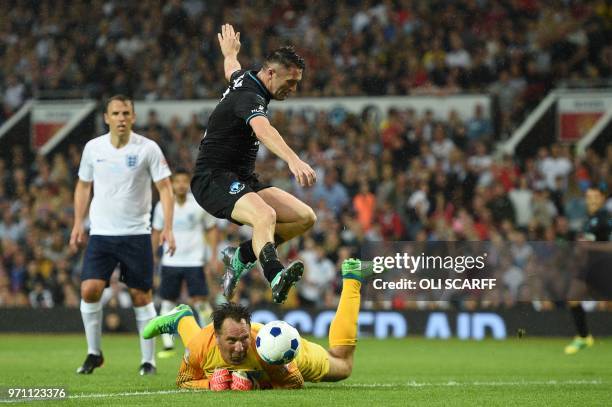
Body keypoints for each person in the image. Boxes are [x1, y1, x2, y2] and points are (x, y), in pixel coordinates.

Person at [190, 24, 317, 304]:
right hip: (213, 179)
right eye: (290, 81)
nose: (293, 89)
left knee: (305, 217)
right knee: (265, 215)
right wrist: (293, 160)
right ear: (271, 73)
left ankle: (242, 256)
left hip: (242, 179)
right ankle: (274, 275)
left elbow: (231, 70)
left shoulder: (246, 79)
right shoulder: (250, 96)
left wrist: (229, 53)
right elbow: (263, 130)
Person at [70, 95, 176, 375]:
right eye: (115, 113)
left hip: (136, 234)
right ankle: (94, 353)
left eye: (126, 113)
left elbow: (165, 188)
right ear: (106, 117)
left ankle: (148, 361)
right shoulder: (93, 148)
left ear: (134, 117)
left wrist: (167, 227)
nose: (121, 118)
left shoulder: (148, 149)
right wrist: (78, 223)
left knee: (141, 295)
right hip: (101, 233)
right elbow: (83, 186)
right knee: (89, 290)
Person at [142, 258, 368, 389]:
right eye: (231, 340)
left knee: (343, 365)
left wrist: (254, 381)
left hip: (297, 357)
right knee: (201, 347)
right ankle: (182, 318)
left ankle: (352, 278)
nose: (240, 347)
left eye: (243, 338)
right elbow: (183, 381)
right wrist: (209, 385)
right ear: (217, 337)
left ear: (250, 333)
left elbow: (294, 383)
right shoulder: (200, 345)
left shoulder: (269, 350)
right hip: (207, 344)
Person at [152, 168, 219, 358]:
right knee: (167, 301)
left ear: (188, 183)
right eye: (177, 181)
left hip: (194, 260)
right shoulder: (162, 205)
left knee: (200, 301)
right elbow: (156, 232)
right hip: (170, 260)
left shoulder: (198, 205)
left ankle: (209, 339)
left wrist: (213, 256)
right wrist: (153, 255)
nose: (180, 185)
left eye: (184, 181)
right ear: (172, 184)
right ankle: (167, 344)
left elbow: (212, 229)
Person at [564, 186, 612, 354]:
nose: (591, 200)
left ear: (602, 199)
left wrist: (590, 246)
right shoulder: (588, 220)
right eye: (588, 196)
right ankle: (584, 337)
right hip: (590, 267)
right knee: (572, 297)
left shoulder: (606, 219)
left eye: (594, 196)